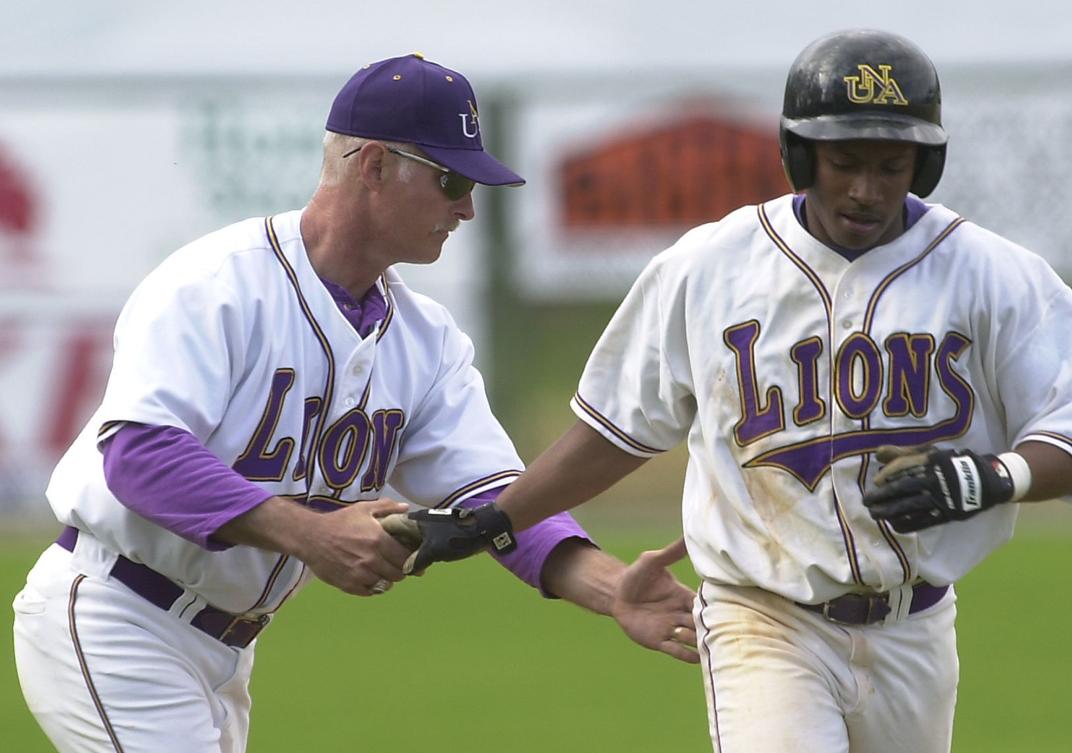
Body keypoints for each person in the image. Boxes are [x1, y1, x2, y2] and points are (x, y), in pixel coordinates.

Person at [402, 30, 1072, 753]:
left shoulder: (993, 275)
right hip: (762, 617)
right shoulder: (711, 266)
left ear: (925, 165)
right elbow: (614, 433)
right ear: (800, 154)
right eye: (844, 162)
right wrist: (489, 519)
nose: (865, 189)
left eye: (890, 165)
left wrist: (990, 477)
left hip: (917, 628)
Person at [12, 54, 697, 753]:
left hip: (224, 648)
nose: (466, 208)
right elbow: (139, 456)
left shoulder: (426, 340)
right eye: (452, 180)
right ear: (373, 165)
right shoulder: (216, 284)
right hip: (118, 614)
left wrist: (612, 586)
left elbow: (497, 502)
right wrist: (310, 534)